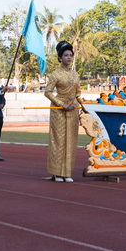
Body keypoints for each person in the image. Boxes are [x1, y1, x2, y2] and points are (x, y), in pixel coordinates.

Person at [44, 41, 82, 182]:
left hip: (73, 110)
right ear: (60, 58)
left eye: (70, 55)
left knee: (71, 141)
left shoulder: (75, 75)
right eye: (66, 55)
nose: (68, 58)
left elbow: (78, 93)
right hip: (58, 110)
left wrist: (78, 105)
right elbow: (47, 92)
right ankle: (57, 173)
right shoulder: (55, 74)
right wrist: (61, 104)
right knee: (58, 140)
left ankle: (67, 173)